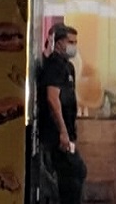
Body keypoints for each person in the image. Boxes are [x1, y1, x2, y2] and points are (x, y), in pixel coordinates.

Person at [37, 24, 86, 204]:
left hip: (66, 133)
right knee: (73, 175)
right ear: (58, 43)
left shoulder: (67, 67)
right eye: (70, 42)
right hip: (56, 135)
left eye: (75, 42)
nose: (74, 46)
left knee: (76, 174)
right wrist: (63, 131)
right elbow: (52, 98)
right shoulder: (54, 66)